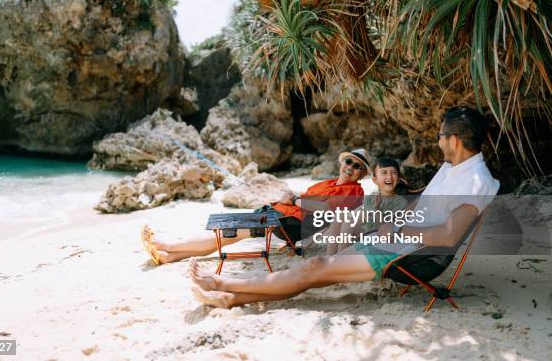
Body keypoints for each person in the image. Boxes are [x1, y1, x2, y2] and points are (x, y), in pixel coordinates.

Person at [190, 106, 500, 308]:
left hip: (413, 256)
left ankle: (224, 286)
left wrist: (398, 229)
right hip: (394, 240)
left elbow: (448, 236)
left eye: (440, 135)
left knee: (316, 268)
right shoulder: (453, 168)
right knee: (316, 271)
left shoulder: (476, 181)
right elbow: (421, 205)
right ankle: (229, 296)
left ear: (455, 139)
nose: (438, 141)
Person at [141, 148, 372, 265]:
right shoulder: (327, 183)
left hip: (291, 224)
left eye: (358, 166)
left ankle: (166, 245)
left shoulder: (355, 192)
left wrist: (293, 201)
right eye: (349, 161)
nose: (351, 167)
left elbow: (324, 213)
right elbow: (307, 200)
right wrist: (291, 198)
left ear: (362, 174)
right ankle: (168, 256)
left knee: (230, 231)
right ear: (343, 163)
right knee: (230, 231)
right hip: (280, 214)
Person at [326, 157, 408, 256]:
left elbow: (386, 228)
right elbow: (361, 213)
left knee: (349, 224)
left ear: (398, 179)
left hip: (377, 234)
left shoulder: (400, 202)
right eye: (384, 173)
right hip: (364, 229)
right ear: (375, 180)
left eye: (393, 173)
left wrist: (377, 208)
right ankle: (329, 257)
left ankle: (339, 260)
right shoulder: (371, 197)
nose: (389, 177)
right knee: (340, 216)